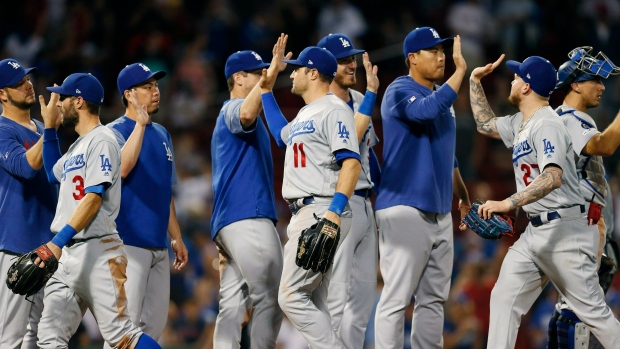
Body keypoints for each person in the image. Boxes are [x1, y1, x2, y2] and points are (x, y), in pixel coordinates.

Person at [468, 54, 620, 348]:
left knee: (594, 315)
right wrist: (475, 81)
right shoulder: (522, 123)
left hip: (566, 231)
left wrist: (506, 203)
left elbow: (553, 177)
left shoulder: (548, 125)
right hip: (536, 232)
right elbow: (484, 124)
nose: (511, 81)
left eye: (516, 77)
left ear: (526, 87)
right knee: (503, 298)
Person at [35, 73, 164, 349]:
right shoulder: (77, 146)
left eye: (64, 99)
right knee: (48, 337)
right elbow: (51, 172)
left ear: (79, 101)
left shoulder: (103, 139)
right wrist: (49, 129)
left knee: (122, 337)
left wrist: (56, 243)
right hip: (68, 251)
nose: (59, 105)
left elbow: (94, 198)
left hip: (97, 248)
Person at [259, 42, 362, 348]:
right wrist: (265, 92)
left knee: (290, 296)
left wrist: (334, 210)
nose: (291, 76)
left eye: (297, 70)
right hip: (306, 211)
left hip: (320, 209)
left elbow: (351, 163)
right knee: (319, 301)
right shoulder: (307, 112)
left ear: (313, 73)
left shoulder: (334, 109)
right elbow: (282, 136)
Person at [373, 27, 470, 349]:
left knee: (433, 300)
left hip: (440, 210)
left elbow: (447, 152)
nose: (441, 56)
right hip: (404, 206)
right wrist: (461, 74)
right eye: (433, 51)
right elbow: (424, 112)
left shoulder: (443, 95)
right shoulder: (399, 90)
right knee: (397, 298)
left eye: (443, 51)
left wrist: (463, 194)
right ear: (412, 58)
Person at [101, 62, 189, 349]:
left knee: (153, 327)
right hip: (128, 242)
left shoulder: (163, 134)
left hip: (159, 245)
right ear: (129, 94)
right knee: (124, 329)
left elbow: (165, 191)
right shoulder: (113, 132)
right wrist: (139, 125)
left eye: (156, 85)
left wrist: (176, 236)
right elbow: (122, 170)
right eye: (147, 87)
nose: (156, 91)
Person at [210, 38, 288, 348]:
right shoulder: (231, 109)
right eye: (256, 73)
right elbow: (244, 114)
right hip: (247, 218)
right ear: (238, 78)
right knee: (271, 294)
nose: (263, 76)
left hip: (230, 224)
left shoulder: (239, 113)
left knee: (231, 305)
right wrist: (271, 76)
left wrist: (269, 77)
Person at [547, 47, 620, 349]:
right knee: (579, 311)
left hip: (582, 221)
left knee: (571, 308)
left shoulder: (567, 118)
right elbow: (604, 145)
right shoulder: (570, 117)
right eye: (595, 80)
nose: (602, 87)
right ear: (575, 84)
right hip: (580, 222)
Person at [317, 33, 380, 349]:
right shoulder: (321, 105)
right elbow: (349, 142)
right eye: (343, 60)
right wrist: (370, 94)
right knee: (337, 295)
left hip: (365, 203)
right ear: (327, 65)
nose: (352, 64)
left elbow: (368, 153)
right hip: (338, 204)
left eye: (352, 58)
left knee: (363, 298)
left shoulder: (357, 98)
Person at [0, 58, 58, 348]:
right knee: (11, 338)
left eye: (27, 79)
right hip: (16, 245)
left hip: (50, 245)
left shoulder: (39, 127)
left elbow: (56, 177)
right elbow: (24, 168)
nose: (27, 85)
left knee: (42, 337)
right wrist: (49, 130)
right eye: (18, 83)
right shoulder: (2, 129)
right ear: (2, 94)